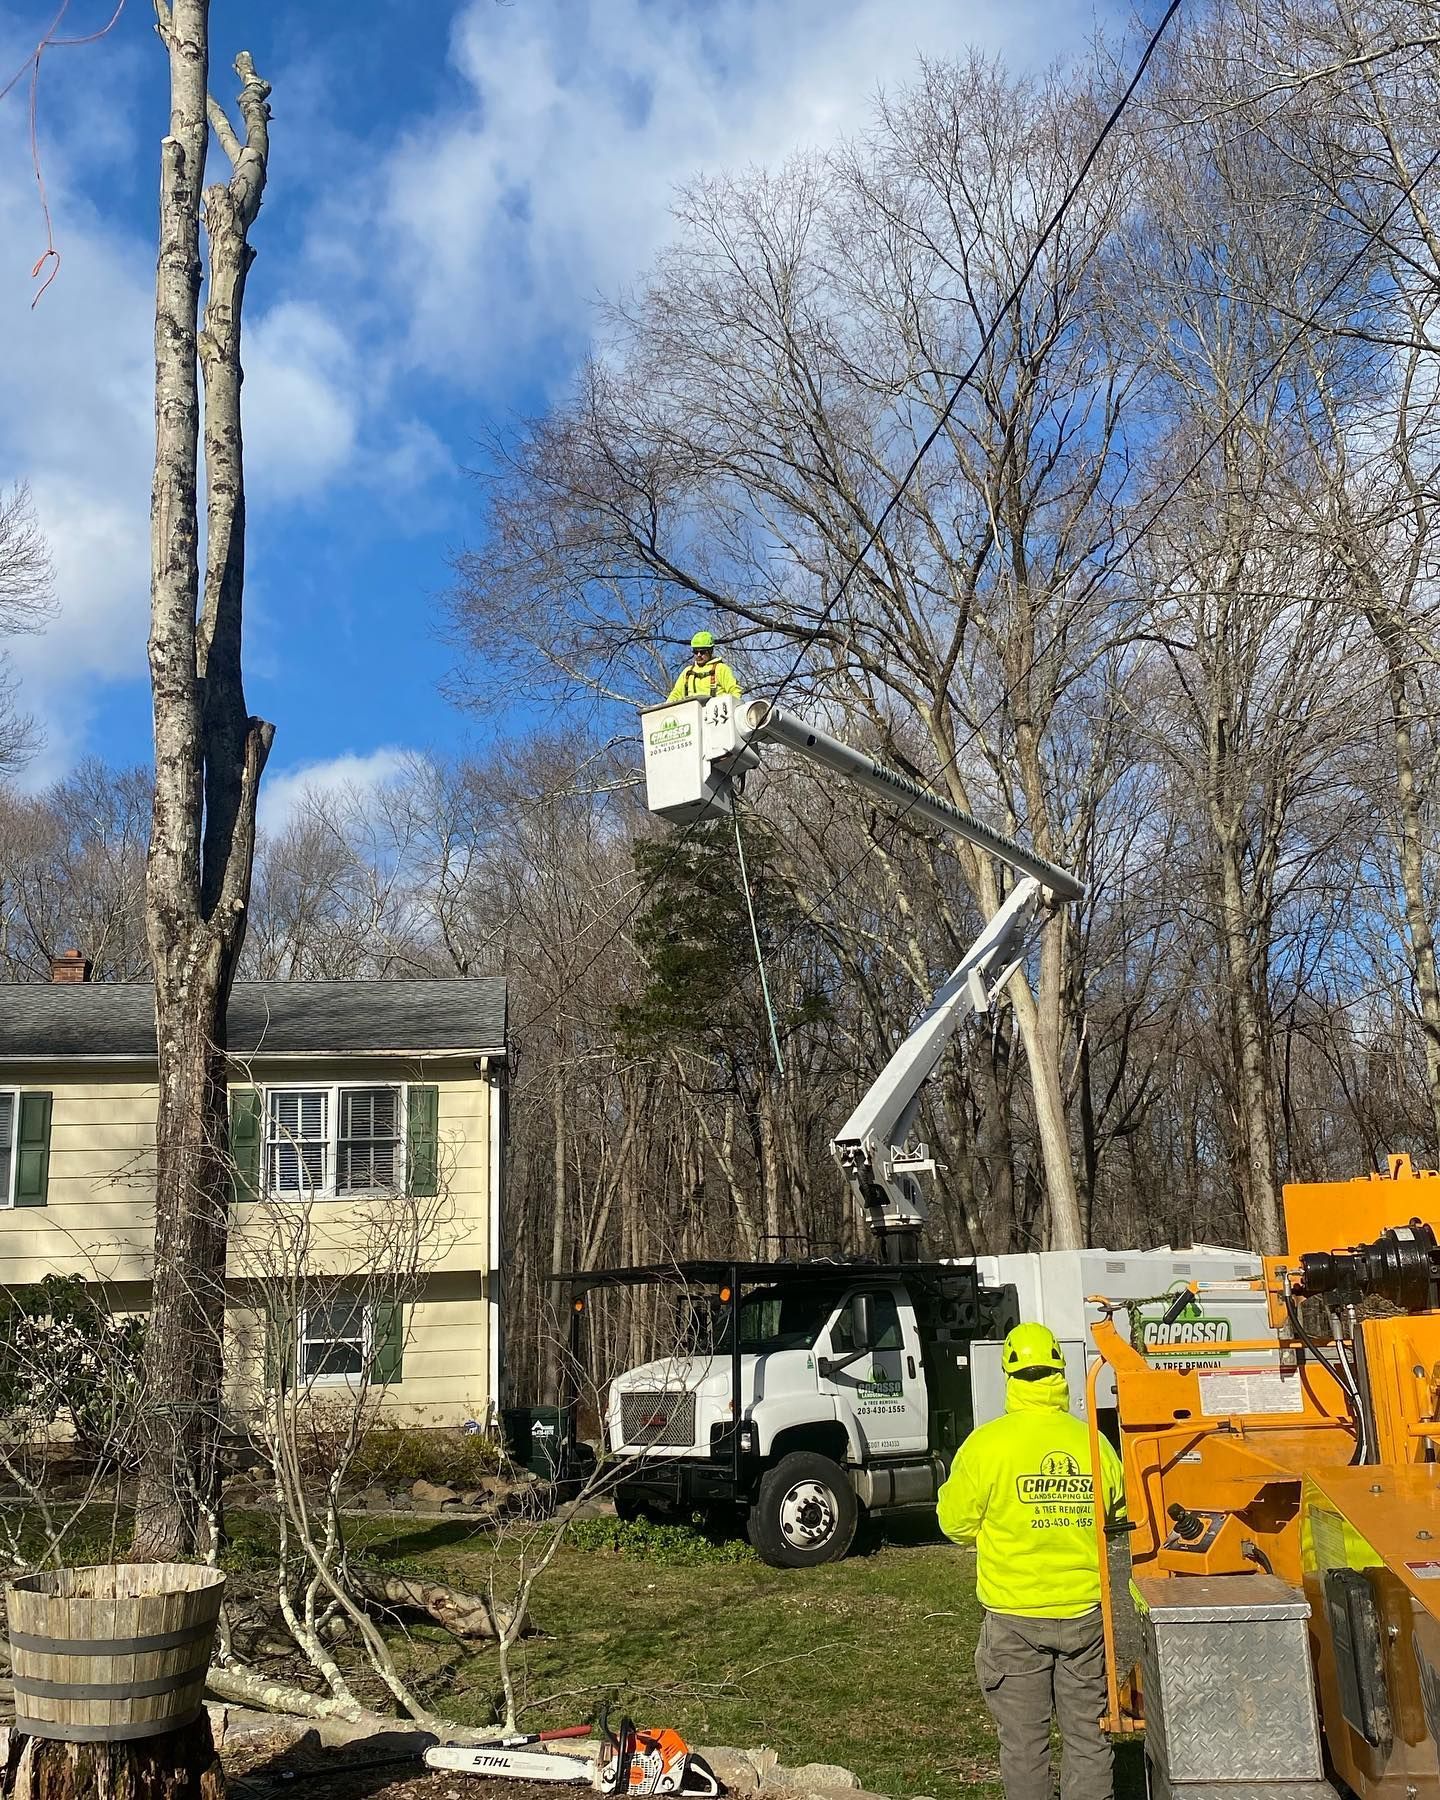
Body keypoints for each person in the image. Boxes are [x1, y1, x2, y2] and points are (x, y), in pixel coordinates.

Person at [937, 1322, 1125, 1800]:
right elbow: (1119, 1513)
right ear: (1061, 1372)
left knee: (1024, 1745)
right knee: (1089, 1737)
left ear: (1008, 1374)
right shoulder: (1094, 1445)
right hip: (1086, 1617)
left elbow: (954, 1525)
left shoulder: (986, 1446)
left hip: (1014, 1619)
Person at [667, 630, 741, 702]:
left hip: (716, 712)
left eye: (702, 652)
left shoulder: (721, 668)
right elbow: (676, 694)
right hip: (691, 712)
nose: (699, 655)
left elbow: (734, 691)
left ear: (710, 651)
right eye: (696, 652)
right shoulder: (687, 672)